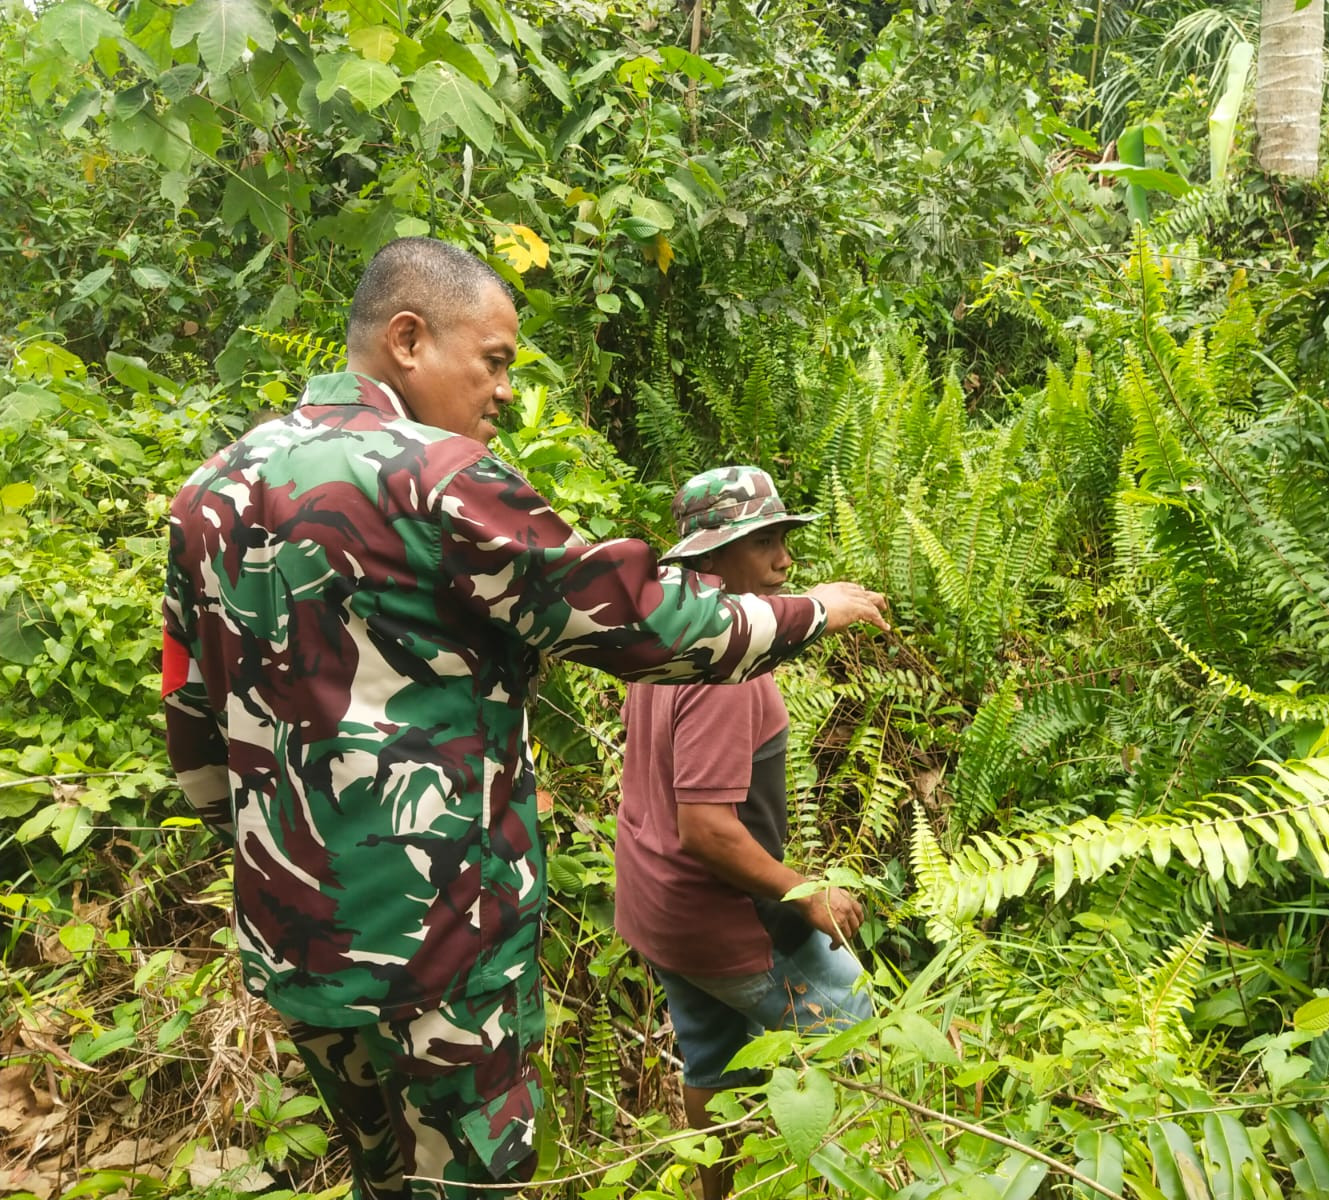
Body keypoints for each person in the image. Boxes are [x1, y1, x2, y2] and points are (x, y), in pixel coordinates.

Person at [161, 238, 888, 1199]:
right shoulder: (437, 477)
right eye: (494, 360)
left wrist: (287, 861)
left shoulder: (208, 491)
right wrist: (810, 612)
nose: (505, 391)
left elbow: (194, 733)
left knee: (381, 1178)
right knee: (476, 1182)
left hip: (296, 940)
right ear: (409, 340)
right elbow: (638, 623)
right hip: (440, 942)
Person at [614, 466, 876, 1200]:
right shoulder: (730, 675)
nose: (784, 560)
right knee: (865, 1043)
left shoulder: (668, 634)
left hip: (659, 910)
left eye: (783, 539)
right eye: (764, 543)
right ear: (714, 553)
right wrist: (808, 893)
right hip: (724, 919)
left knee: (714, 1062)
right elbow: (706, 828)